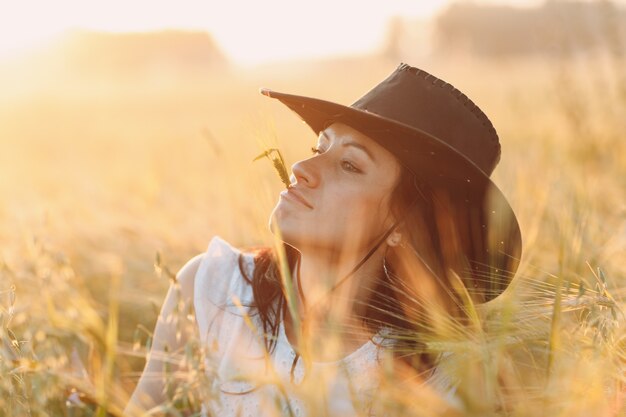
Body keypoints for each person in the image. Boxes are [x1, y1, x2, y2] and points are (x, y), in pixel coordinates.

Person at [124, 63, 522, 416]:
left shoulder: (434, 382)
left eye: (349, 165)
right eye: (319, 148)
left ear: (406, 224)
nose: (301, 167)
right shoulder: (210, 290)